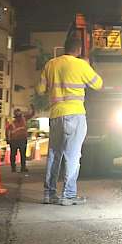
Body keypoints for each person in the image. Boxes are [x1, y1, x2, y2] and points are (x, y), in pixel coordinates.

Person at [36, 33, 103, 205]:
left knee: (53, 156)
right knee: (73, 156)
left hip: (56, 115)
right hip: (75, 114)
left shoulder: (50, 64)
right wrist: (88, 65)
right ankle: (68, 195)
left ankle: (49, 194)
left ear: (64, 48)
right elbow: (98, 84)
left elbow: (40, 90)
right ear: (78, 50)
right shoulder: (81, 65)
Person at [6, 106, 35, 173]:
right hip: (16, 140)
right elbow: (7, 131)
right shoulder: (14, 122)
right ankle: (16, 168)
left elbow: (32, 114)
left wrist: (33, 109)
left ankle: (20, 168)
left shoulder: (23, 119)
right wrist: (8, 139)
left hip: (20, 140)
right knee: (16, 155)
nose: (19, 117)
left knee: (19, 155)